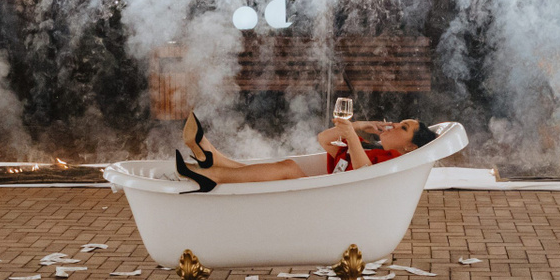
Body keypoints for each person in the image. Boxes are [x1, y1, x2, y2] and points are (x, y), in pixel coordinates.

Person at [173, 112, 438, 192]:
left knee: (288, 168)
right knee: (284, 168)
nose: (394, 125)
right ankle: (214, 160)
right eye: (400, 122)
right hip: (322, 195)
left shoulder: (392, 160)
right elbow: (324, 139)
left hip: (333, 203)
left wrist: (351, 135)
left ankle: (214, 173)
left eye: (403, 127)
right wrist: (359, 126)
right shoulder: (368, 149)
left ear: (410, 147)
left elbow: (364, 174)